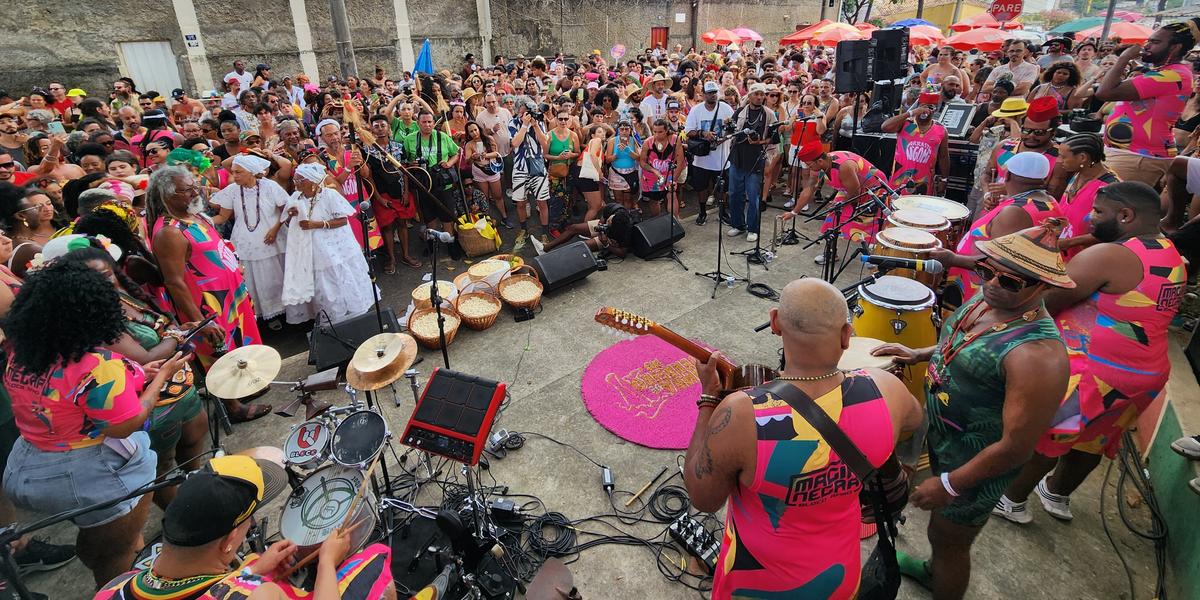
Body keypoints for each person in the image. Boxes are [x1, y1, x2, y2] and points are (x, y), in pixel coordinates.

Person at [684, 278, 922, 599]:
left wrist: (709, 399)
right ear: (846, 336)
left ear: (775, 323)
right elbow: (915, 420)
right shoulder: (886, 390)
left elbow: (703, 498)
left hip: (753, 585)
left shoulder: (742, 414)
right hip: (837, 579)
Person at [873, 223, 1072, 600]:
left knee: (950, 539)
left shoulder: (1037, 355)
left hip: (979, 461)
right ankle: (934, 568)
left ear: (1043, 287)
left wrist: (949, 484)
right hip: (947, 441)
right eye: (985, 270)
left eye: (1011, 281)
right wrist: (918, 354)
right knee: (939, 530)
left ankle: (942, 580)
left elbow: (1016, 448)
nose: (993, 283)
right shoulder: (989, 300)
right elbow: (959, 341)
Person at [992, 182, 1185, 526]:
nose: (1089, 218)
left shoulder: (1110, 255)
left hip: (1096, 370)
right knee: (1092, 440)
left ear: (1126, 215)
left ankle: (1012, 501)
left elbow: (1051, 299)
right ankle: (1056, 494)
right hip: (1144, 373)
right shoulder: (1168, 250)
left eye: (1099, 212)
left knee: (1048, 436)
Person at [3, 258, 190, 587]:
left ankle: (100, 545)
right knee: (114, 554)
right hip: (86, 473)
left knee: (100, 538)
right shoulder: (95, 363)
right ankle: (114, 584)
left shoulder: (24, 351)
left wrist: (134, 375)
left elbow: (64, 396)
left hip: (26, 466)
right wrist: (160, 378)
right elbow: (125, 424)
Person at [94, 455, 397, 600]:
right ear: (228, 542)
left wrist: (250, 573)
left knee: (253, 562)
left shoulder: (113, 589)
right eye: (247, 523)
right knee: (374, 558)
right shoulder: (256, 597)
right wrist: (328, 563)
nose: (251, 525)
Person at [145, 166, 270, 422]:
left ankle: (243, 388)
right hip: (205, 305)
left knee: (237, 345)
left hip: (229, 298)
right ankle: (233, 407)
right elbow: (175, 282)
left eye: (194, 185)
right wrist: (202, 322)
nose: (195, 192)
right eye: (187, 189)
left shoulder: (195, 216)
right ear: (167, 196)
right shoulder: (169, 232)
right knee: (216, 352)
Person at [935, 152, 1064, 305]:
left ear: (1007, 176)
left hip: (983, 289)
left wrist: (954, 259)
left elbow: (1001, 263)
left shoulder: (1016, 212)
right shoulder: (1047, 200)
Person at [1095, 18, 1198, 185]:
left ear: (1175, 47)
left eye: (1155, 42)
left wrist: (1124, 58)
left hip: (1139, 157)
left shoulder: (1174, 75)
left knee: (1112, 206)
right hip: (1130, 154)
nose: (1147, 46)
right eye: (1148, 41)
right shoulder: (1164, 72)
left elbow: (1104, 92)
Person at [281, 163, 376, 324]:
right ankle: (333, 315)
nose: (296, 184)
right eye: (295, 181)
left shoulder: (329, 195)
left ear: (312, 181)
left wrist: (316, 224)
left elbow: (342, 220)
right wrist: (291, 216)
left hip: (336, 247)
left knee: (341, 276)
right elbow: (288, 224)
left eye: (300, 181)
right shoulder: (295, 198)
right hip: (312, 249)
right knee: (324, 283)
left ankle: (355, 310)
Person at [210, 153, 290, 327]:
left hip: (272, 238)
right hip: (246, 240)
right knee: (254, 279)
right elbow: (223, 216)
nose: (234, 176)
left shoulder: (269, 186)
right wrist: (203, 221)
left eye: (239, 172)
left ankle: (286, 313)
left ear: (252, 172)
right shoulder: (232, 190)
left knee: (275, 276)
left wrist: (275, 229)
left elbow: (287, 210)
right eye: (233, 172)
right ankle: (266, 316)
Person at [786, 141, 888, 255]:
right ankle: (830, 253)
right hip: (850, 188)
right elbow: (808, 189)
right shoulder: (818, 166)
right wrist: (794, 212)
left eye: (809, 165)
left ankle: (873, 255)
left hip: (873, 189)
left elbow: (855, 194)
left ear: (819, 161)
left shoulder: (844, 167)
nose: (809, 168)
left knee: (872, 225)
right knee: (832, 218)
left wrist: (841, 203)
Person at [364, 114, 421, 271]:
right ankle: (391, 259)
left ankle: (406, 255)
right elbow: (369, 178)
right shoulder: (367, 151)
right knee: (387, 227)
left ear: (389, 127)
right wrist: (378, 198)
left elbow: (405, 171)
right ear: (371, 129)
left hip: (400, 191)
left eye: (383, 125)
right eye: (376, 126)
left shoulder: (398, 146)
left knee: (403, 223)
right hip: (382, 194)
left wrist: (406, 191)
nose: (380, 129)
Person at [982, 96, 1067, 200]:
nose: (1031, 136)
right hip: (993, 210)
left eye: (1039, 132)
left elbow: (1053, 197)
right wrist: (987, 195)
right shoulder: (1004, 146)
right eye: (1026, 130)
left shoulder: (1059, 158)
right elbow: (987, 174)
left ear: (1053, 133)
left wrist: (1013, 190)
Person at [724, 83, 775, 243]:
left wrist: (759, 142)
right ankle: (738, 225)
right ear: (750, 96)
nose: (759, 97)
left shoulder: (769, 114)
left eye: (762, 94)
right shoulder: (740, 112)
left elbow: (774, 140)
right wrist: (727, 125)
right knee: (734, 194)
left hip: (756, 159)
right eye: (756, 94)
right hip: (737, 158)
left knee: (753, 197)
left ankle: (753, 229)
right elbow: (730, 132)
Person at [1055, 133, 1119, 259]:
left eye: (1063, 157)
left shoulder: (1109, 187)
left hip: (1085, 259)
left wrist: (1069, 243)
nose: (1059, 161)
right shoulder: (1078, 173)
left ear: (1082, 157)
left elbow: (1111, 231)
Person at [402, 110, 460, 238]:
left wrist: (449, 163)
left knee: (447, 217)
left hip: (444, 185)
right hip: (423, 186)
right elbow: (404, 163)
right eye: (424, 122)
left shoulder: (443, 136)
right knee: (429, 218)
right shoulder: (409, 139)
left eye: (430, 122)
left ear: (434, 123)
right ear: (418, 123)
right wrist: (412, 164)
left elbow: (456, 153)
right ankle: (432, 243)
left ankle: (450, 242)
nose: (427, 125)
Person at [881, 91, 949, 196]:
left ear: (935, 109)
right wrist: (911, 113)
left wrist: (944, 179)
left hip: (924, 182)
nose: (925, 111)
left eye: (930, 107)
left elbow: (944, 157)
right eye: (923, 107)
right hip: (900, 180)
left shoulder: (940, 130)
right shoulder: (907, 124)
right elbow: (885, 127)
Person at [686, 81, 734, 226]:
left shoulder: (726, 108)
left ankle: (722, 212)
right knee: (701, 188)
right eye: (710, 93)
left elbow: (733, 129)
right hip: (702, 159)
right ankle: (702, 212)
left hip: (721, 158)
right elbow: (689, 131)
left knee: (722, 188)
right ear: (703, 94)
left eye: (715, 92)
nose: (713, 95)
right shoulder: (696, 110)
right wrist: (703, 133)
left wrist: (724, 137)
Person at [508, 100, 551, 240]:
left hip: (538, 167)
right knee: (520, 203)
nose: (525, 115)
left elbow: (545, 144)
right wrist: (525, 125)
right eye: (522, 112)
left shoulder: (539, 122)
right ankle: (524, 230)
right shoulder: (513, 123)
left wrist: (536, 126)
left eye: (527, 112)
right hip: (520, 168)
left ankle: (545, 232)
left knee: (542, 202)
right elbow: (515, 143)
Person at [531, 202, 637, 258]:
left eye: (610, 224)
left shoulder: (626, 230)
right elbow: (602, 221)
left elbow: (622, 253)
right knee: (574, 228)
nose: (608, 221)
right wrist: (601, 229)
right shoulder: (613, 208)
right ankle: (544, 249)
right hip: (604, 231)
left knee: (581, 246)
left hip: (611, 240)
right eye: (610, 220)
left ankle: (552, 258)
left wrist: (606, 244)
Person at [639, 118, 684, 218]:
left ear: (666, 130)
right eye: (655, 132)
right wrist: (654, 171)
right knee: (654, 200)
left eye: (660, 132)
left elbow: (680, 162)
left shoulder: (675, 140)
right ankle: (657, 220)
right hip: (652, 176)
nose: (657, 135)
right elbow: (642, 162)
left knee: (671, 195)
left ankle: (675, 221)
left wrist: (674, 180)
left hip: (669, 173)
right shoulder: (648, 142)